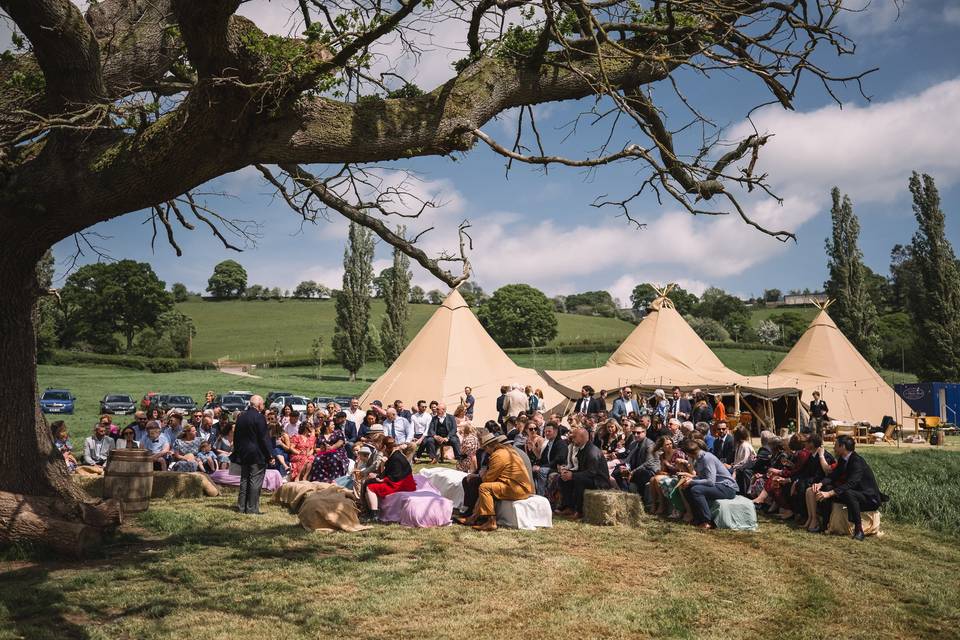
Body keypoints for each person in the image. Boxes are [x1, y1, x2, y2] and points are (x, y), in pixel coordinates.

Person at [811, 435, 884, 540]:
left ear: (843, 446)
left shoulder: (856, 461)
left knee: (848, 492)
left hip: (869, 497)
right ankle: (825, 525)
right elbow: (833, 476)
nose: (834, 448)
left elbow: (852, 483)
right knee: (826, 488)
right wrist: (821, 484)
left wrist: (830, 493)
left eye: (836, 445)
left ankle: (859, 530)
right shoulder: (843, 459)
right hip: (854, 493)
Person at [459, 432, 535, 531]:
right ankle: (473, 517)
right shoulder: (508, 451)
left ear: (489, 447)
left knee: (484, 487)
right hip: (518, 486)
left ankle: (491, 521)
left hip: (517, 488)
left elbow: (487, 479)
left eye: (485, 449)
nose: (486, 452)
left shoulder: (498, 455)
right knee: (487, 488)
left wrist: (483, 474)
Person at [676, 439, 738, 529]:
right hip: (718, 485)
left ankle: (706, 521)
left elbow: (710, 481)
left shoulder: (707, 458)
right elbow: (703, 478)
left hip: (727, 488)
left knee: (696, 490)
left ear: (689, 453)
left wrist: (692, 481)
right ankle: (697, 517)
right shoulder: (699, 458)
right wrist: (690, 479)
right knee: (687, 487)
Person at [231, 395, 273, 515]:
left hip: (244, 453)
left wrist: (238, 451)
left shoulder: (241, 417)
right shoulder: (259, 417)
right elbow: (264, 438)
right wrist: (270, 454)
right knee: (255, 481)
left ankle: (241, 507)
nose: (264, 406)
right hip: (256, 454)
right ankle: (252, 509)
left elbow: (236, 437)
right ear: (259, 404)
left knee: (244, 480)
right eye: (263, 404)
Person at [557, 427, 610, 520]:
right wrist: (568, 473)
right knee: (562, 478)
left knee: (579, 481)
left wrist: (573, 475)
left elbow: (592, 472)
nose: (572, 440)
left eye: (574, 437)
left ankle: (579, 511)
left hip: (599, 481)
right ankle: (568, 507)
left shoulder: (592, 451)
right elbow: (582, 470)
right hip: (589, 477)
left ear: (582, 437)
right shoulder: (582, 449)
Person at [362, 436, 416, 522]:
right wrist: (378, 476)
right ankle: (369, 511)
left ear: (385, 447)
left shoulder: (396, 458)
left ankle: (374, 515)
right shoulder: (396, 454)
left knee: (370, 487)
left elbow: (395, 477)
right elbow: (391, 472)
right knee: (369, 482)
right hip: (401, 482)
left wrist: (379, 478)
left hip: (402, 485)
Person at [532, 422, 567, 496]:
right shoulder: (549, 443)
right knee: (532, 469)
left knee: (542, 471)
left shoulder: (561, 444)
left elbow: (559, 459)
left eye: (549, 431)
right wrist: (536, 465)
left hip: (557, 467)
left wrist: (542, 467)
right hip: (549, 466)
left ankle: (541, 496)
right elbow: (543, 459)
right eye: (545, 432)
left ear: (556, 432)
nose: (546, 433)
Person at [309, 418, 349, 482]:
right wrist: (323, 449)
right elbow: (316, 448)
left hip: (336, 451)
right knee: (317, 459)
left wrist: (331, 447)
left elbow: (341, 441)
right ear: (327, 427)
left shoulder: (338, 432)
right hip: (323, 452)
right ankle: (319, 479)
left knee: (333, 457)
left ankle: (334, 479)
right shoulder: (321, 436)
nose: (334, 426)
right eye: (332, 425)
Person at [729, 426, 756, 494]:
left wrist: (734, 467)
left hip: (744, 469)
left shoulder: (745, 446)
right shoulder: (739, 445)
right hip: (738, 467)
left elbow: (745, 462)